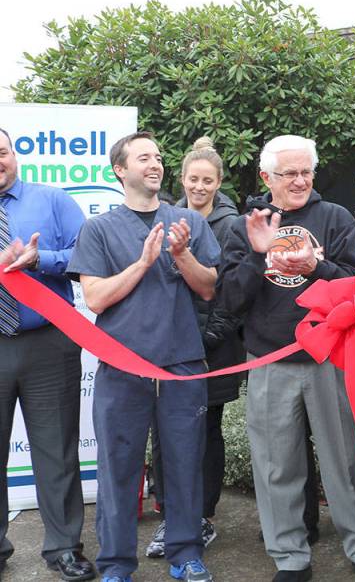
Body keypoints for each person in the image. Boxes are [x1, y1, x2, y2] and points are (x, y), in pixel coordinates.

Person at [218, 135, 355, 582]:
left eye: (305, 172)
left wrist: (317, 269)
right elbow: (230, 299)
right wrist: (259, 254)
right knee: (276, 465)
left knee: (346, 460)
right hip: (270, 359)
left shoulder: (333, 218)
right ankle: (290, 557)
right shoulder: (243, 225)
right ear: (266, 176)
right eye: (289, 173)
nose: (299, 181)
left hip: (330, 357)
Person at [68, 132, 219, 582]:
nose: (155, 164)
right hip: (123, 368)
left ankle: (186, 555)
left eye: (158, 157)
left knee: (185, 463)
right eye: (143, 158)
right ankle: (116, 565)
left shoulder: (187, 221)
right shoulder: (99, 229)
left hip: (181, 365)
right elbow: (94, 299)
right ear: (120, 170)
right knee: (118, 467)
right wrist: (141, 262)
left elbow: (209, 286)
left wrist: (181, 254)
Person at [0, 129, 95, 582]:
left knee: (57, 451)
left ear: (14, 155)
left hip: (48, 345)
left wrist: (42, 261)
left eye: (0, 152)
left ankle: (63, 548)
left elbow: (87, 254)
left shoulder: (53, 199)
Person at [146, 137, 244, 558]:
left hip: (212, 350)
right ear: (181, 179)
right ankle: (169, 514)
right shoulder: (164, 218)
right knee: (163, 432)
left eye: (207, 180)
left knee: (206, 432)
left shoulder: (232, 224)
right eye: (192, 179)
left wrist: (205, 339)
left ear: (219, 182)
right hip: (169, 348)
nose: (199, 187)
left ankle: (202, 516)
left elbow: (230, 295)